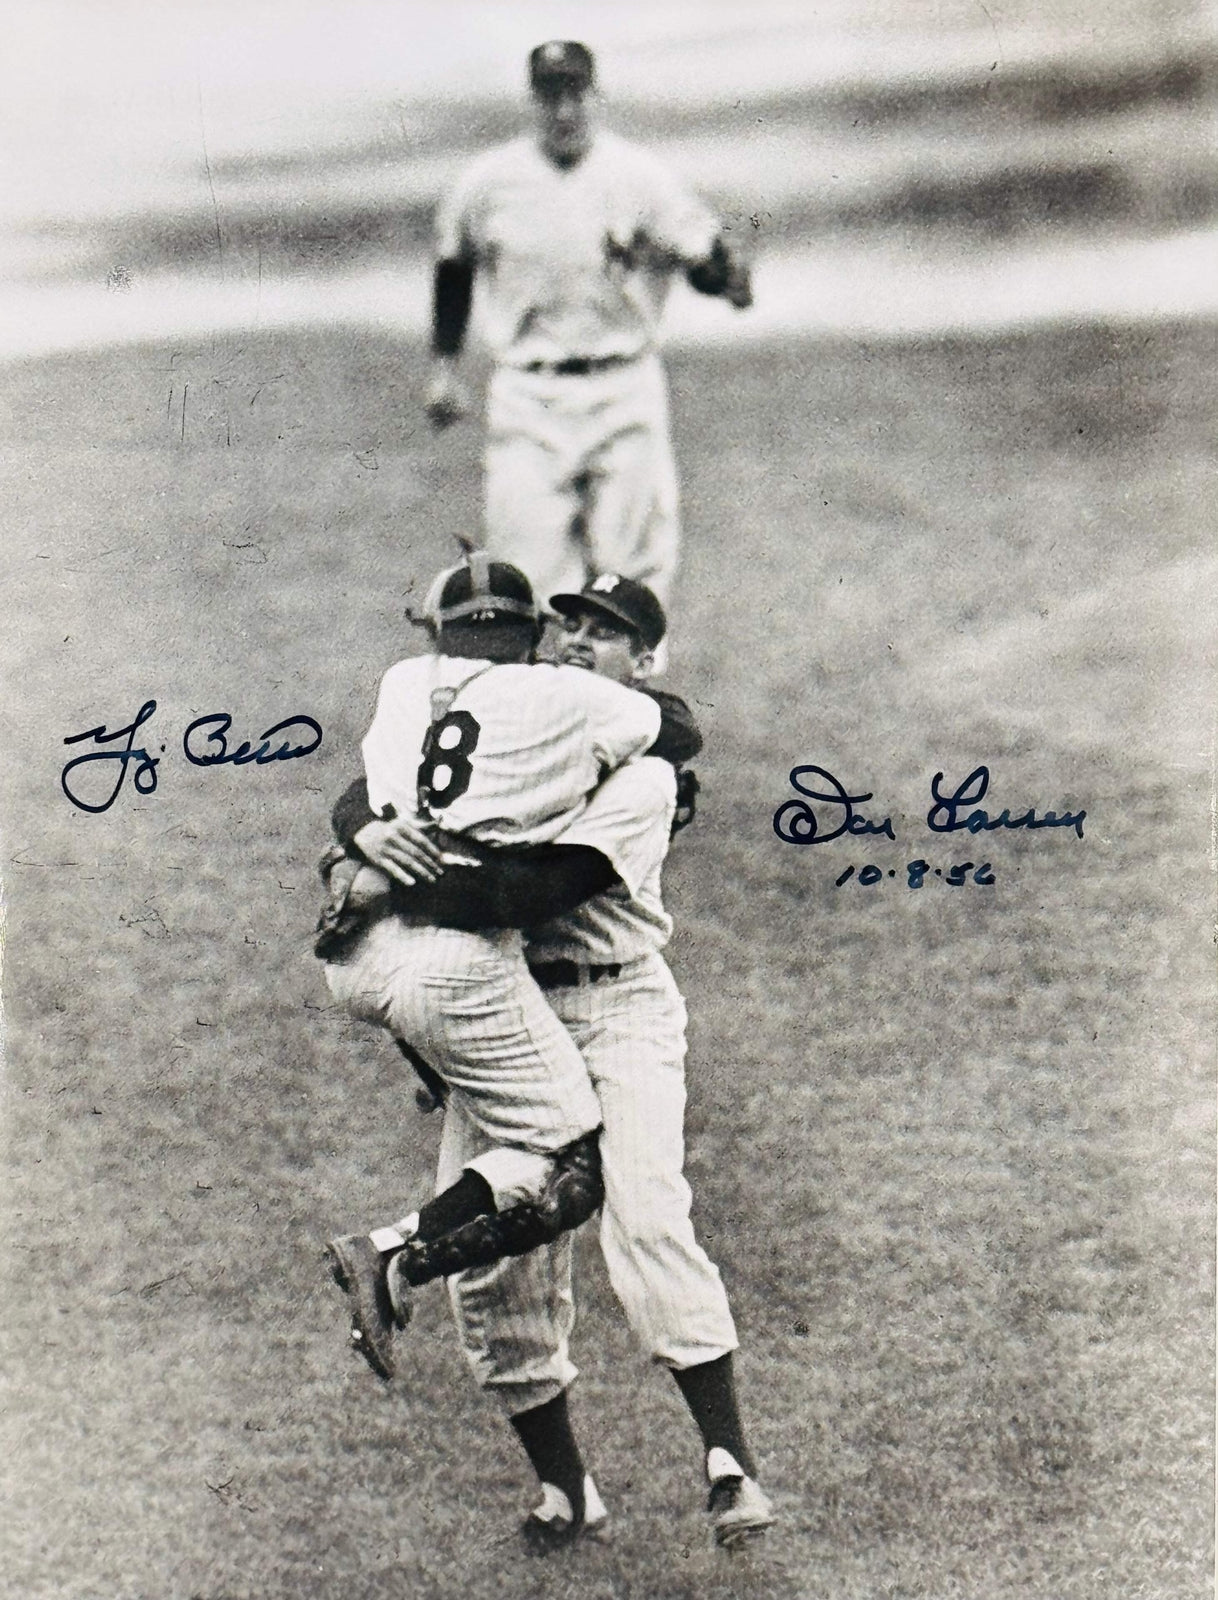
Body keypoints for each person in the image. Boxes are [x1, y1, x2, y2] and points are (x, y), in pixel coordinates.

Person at [331, 576, 775, 1554]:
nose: (578, 639)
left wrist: (379, 882)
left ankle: (730, 1464)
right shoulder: (517, 714)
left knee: (647, 1213)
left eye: (607, 631)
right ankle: (566, 1488)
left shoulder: (644, 772)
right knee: (490, 1277)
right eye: (568, 621)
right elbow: (374, 783)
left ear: (644, 663)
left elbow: (526, 894)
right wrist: (364, 834)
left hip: (614, 1005)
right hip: (505, 1002)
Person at [320, 553, 662, 1380]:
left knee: (481, 1089)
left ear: (437, 631)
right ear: (535, 632)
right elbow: (667, 730)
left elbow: (359, 793)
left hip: (357, 956)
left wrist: (360, 841)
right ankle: (390, 1250)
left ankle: (401, 1228)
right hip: (453, 965)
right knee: (568, 1163)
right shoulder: (567, 698)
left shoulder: (405, 682)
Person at [423, 40, 753, 619]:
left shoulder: (641, 178)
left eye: (575, 94)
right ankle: (553, 701)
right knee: (526, 578)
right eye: (550, 97)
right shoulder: (490, 182)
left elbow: (705, 260)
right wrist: (444, 368)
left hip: (623, 388)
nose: (564, 111)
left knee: (634, 579)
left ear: (594, 95)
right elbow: (454, 264)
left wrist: (723, 277)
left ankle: (638, 707)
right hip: (529, 394)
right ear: (532, 101)